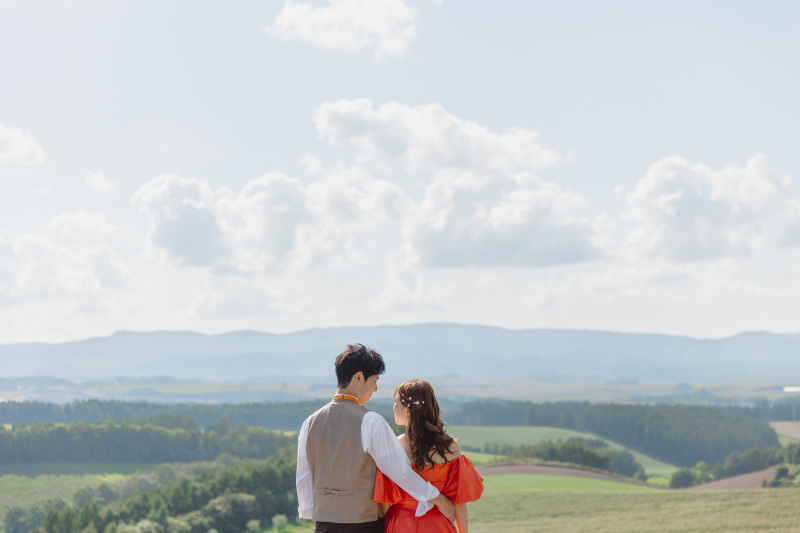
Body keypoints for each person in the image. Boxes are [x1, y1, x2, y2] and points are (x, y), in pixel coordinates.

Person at [296, 344, 456, 533]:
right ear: (358, 377)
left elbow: (304, 476)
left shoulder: (309, 422)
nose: (376, 388)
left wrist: (314, 513)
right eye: (374, 380)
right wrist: (439, 500)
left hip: (324, 523)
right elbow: (400, 472)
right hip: (365, 524)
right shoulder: (371, 421)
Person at [374, 379, 484, 533]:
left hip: (401, 523)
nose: (393, 407)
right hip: (438, 524)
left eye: (396, 402)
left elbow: (384, 503)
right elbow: (460, 503)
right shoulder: (450, 447)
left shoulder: (393, 448)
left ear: (407, 411)